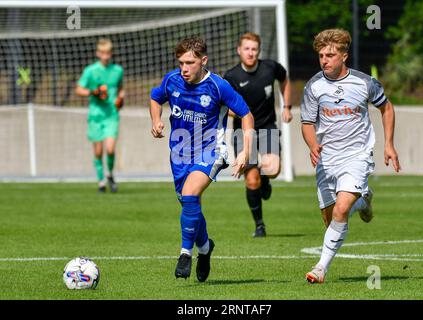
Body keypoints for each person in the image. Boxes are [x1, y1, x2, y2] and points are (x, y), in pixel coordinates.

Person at [150, 36, 254, 281]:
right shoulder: (171, 80)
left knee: (190, 195)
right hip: (179, 154)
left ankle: (185, 253)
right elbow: (155, 98)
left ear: (203, 60)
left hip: (211, 151)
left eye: (190, 62)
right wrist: (155, 119)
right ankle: (205, 249)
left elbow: (246, 114)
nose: (184, 68)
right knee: (189, 203)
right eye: (181, 63)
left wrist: (246, 150)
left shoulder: (218, 86)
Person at [300, 29, 401, 284]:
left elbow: (386, 108)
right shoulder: (314, 86)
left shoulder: (364, 82)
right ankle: (364, 201)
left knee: (341, 210)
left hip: (357, 155)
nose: (325, 60)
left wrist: (389, 144)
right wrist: (313, 145)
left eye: (331, 55)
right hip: (327, 159)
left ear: (344, 56)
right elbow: (307, 122)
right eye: (321, 55)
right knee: (331, 218)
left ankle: (321, 268)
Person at [224, 32, 292, 237]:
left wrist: (286, 106)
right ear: (239, 50)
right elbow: (223, 105)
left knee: (272, 169)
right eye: (247, 48)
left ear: (259, 51)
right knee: (251, 180)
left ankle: (266, 181)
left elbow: (285, 80)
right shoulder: (231, 76)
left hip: (267, 126)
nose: (250, 53)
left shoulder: (270, 68)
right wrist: (241, 114)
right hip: (242, 132)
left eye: (254, 49)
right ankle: (259, 225)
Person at [76, 38, 125, 193]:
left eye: (108, 53)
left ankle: (109, 174)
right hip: (96, 115)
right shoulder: (90, 71)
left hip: (111, 114)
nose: (105, 56)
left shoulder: (118, 70)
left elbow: (121, 89)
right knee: (98, 151)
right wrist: (93, 92)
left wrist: (120, 98)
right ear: (98, 53)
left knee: (110, 149)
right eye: (102, 53)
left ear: (111, 54)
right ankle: (101, 182)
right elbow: (79, 89)